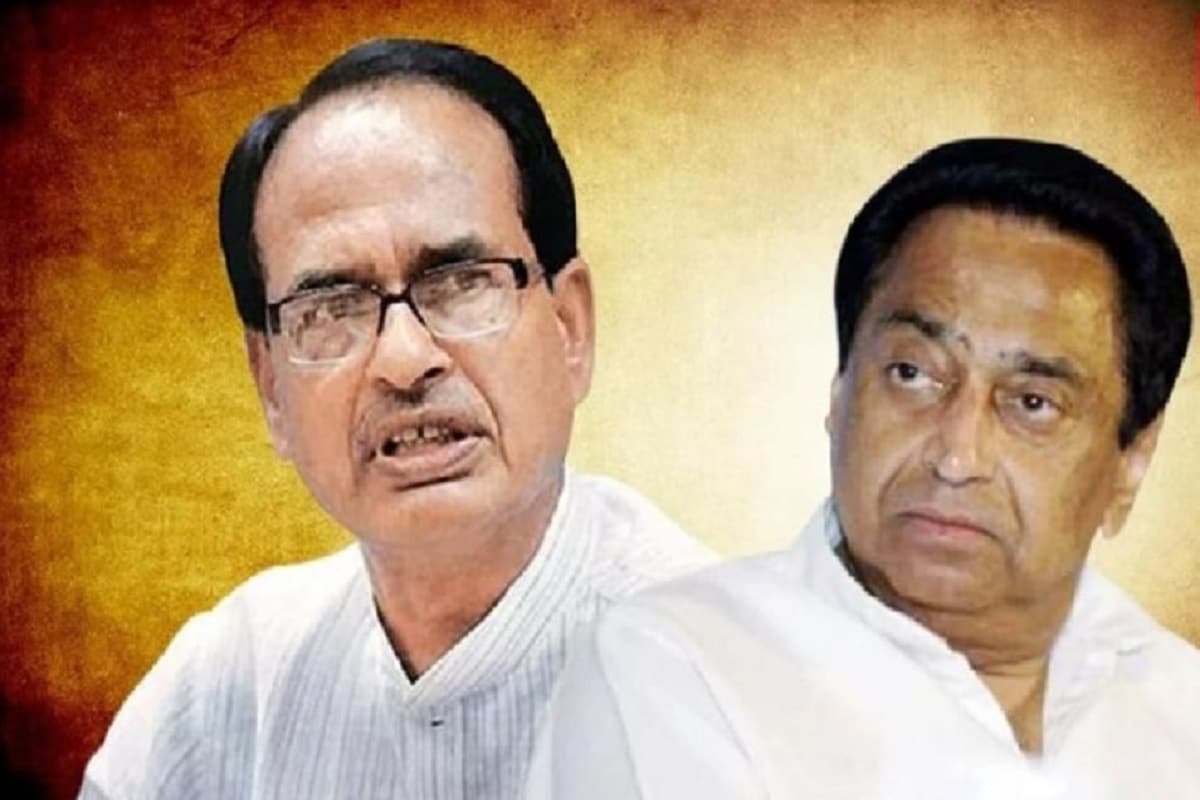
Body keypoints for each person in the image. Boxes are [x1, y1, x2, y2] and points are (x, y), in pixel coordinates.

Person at [80, 38, 711, 800]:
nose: (404, 359)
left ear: (569, 326)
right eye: (330, 307)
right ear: (271, 387)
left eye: (461, 280)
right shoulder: (226, 689)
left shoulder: (737, 684)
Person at [526, 138, 1198, 799]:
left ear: (1132, 461)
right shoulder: (676, 668)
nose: (956, 457)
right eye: (911, 373)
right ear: (839, 390)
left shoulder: (1179, 705)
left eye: (1032, 403)